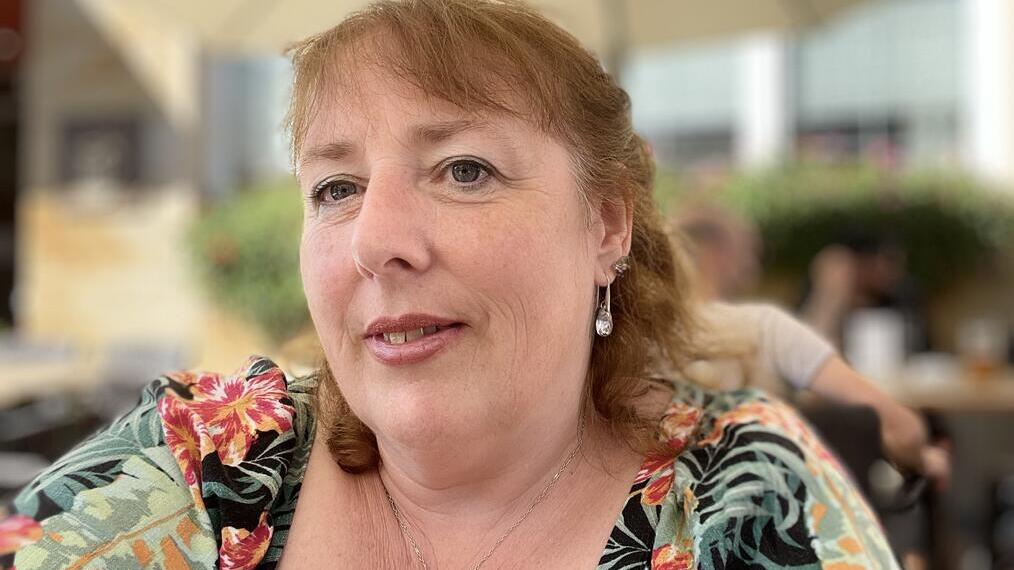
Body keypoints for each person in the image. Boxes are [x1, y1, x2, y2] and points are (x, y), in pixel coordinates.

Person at [0, 1, 899, 568]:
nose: (376, 242)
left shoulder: (745, 498)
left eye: (464, 169)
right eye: (337, 188)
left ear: (608, 225)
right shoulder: (201, 462)